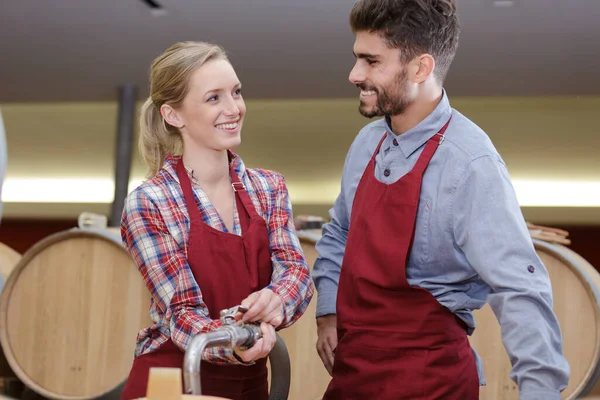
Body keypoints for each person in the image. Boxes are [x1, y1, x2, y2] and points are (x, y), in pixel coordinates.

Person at [312, 1, 570, 399]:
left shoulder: (470, 162)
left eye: (371, 61)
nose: (354, 74)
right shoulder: (367, 144)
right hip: (355, 374)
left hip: (430, 380)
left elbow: (520, 288)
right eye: (356, 58)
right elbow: (338, 234)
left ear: (421, 68)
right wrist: (328, 312)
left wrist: (541, 393)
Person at [119, 41, 314, 400]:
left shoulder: (269, 188)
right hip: (173, 379)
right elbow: (181, 313)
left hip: (249, 382)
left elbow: (297, 274)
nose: (233, 108)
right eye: (214, 98)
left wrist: (276, 300)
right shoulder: (150, 203)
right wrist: (237, 341)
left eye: (236, 92)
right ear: (173, 115)